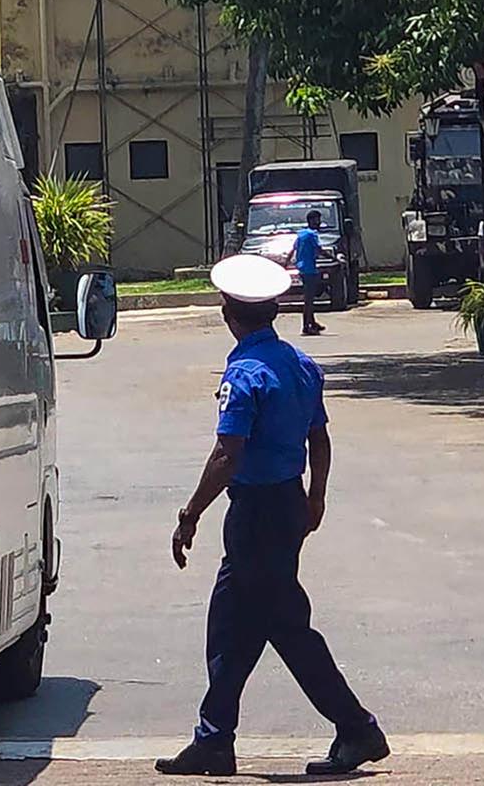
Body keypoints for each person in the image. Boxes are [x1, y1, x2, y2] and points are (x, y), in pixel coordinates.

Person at [157, 254, 389, 777]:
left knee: (279, 627)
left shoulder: (244, 374)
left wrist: (190, 513)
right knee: (233, 623)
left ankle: (356, 728)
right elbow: (320, 436)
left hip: (256, 514)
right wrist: (316, 496)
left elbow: (226, 455)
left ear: (227, 312)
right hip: (287, 503)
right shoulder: (301, 365)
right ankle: (214, 737)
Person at [293, 210, 326, 337]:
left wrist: (285, 263)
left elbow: (294, 249)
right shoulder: (312, 235)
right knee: (309, 299)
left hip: (302, 267)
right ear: (312, 220)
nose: (319, 222)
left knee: (309, 298)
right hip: (309, 270)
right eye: (317, 220)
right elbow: (319, 249)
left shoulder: (301, 234)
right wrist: (335, 259)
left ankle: (312, 322)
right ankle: (306, 326)